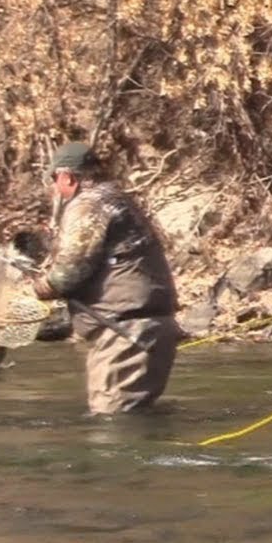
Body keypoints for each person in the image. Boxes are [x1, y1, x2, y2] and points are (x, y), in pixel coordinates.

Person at [30, 141, 181, 413]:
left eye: (54, 179)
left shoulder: (89, 203)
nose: (54, 187)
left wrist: (35, 289)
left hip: (126, 334)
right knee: (135, 420)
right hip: (146, 328)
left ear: (68, 177)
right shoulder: (118, 199)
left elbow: (69, 273)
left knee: (114, 424)